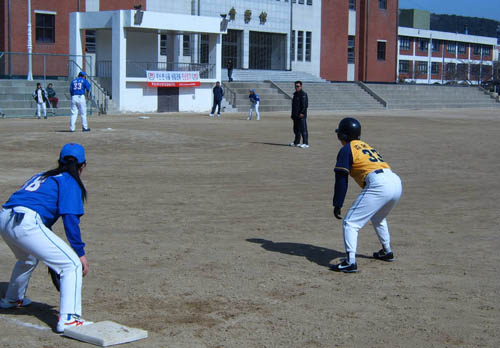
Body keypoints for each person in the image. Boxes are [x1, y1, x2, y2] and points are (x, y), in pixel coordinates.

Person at [0, 143, 93, 332]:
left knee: (27, 258)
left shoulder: (44, 176)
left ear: (59, 162)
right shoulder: (70, 181)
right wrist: (79, 253)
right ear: (83, 165)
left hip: (5, 217)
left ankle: (12, 298)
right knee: (71, 264)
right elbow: (70, 220)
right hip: (26, 222)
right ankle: (70, 319)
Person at [330, 118, 402, 273]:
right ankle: (387, 251)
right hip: (395, 180)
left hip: (379, 184)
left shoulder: (347, 149)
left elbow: (341, 179)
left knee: (350, 223)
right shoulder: (366, 146)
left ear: (342, 136)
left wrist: (338, 203)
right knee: (378, 218)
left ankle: (350, 262)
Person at [289, 81, 309, 148]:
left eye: (298, 86)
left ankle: (305, 143)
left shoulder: (303, 94)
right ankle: (296, 142)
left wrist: (302, 113)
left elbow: (305, 105)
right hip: (295, 115)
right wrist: (292, 114)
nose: (296, 87)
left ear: (301, 86)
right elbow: (293, 106)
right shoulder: (295, 94)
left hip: (301, 115)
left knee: (303, 129)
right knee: (296, 129)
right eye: (295, 86)